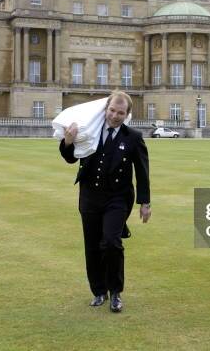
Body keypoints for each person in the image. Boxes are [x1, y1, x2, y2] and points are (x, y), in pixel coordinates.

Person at [60, 91, 151, 313]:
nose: (115, 116)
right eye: (112, 110)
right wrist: (68, 141)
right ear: (106, 109)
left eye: (120, 113)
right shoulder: (89, 130)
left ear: (127, 114)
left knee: (111, 242)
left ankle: (116, 292)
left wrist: (145, 202)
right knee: (92, 246)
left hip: (117, 198)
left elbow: (142, 171)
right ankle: (98, 291)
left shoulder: (133, 137)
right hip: (90, 196)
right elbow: (70, 158)